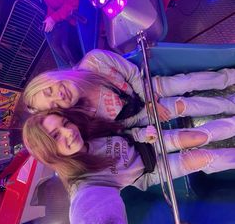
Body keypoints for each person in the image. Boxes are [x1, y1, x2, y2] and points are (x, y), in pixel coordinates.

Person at [22, 108, 235, 224]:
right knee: (203, 157)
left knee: (197, 136)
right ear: (48, 152)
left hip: (147, 142)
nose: (69, 132)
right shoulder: (83, 182)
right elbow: (90, 222)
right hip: (151, 171)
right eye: (56, 136)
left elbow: (126, 127)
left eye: (65, 123)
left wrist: (146, 122)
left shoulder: (90, 131)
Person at [23, 48, 235, 150]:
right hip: (144, 116)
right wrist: (147, 125)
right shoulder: (84, 118)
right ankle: (229, 104)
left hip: (146, 87)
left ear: (51, 77)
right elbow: (122, 130)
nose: (59, 96)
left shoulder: (94, 60)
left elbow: (133, 74)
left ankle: (228, 77)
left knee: (189, 82)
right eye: (54, 106)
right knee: (183, 106)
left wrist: (150, 100)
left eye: (49, 90)